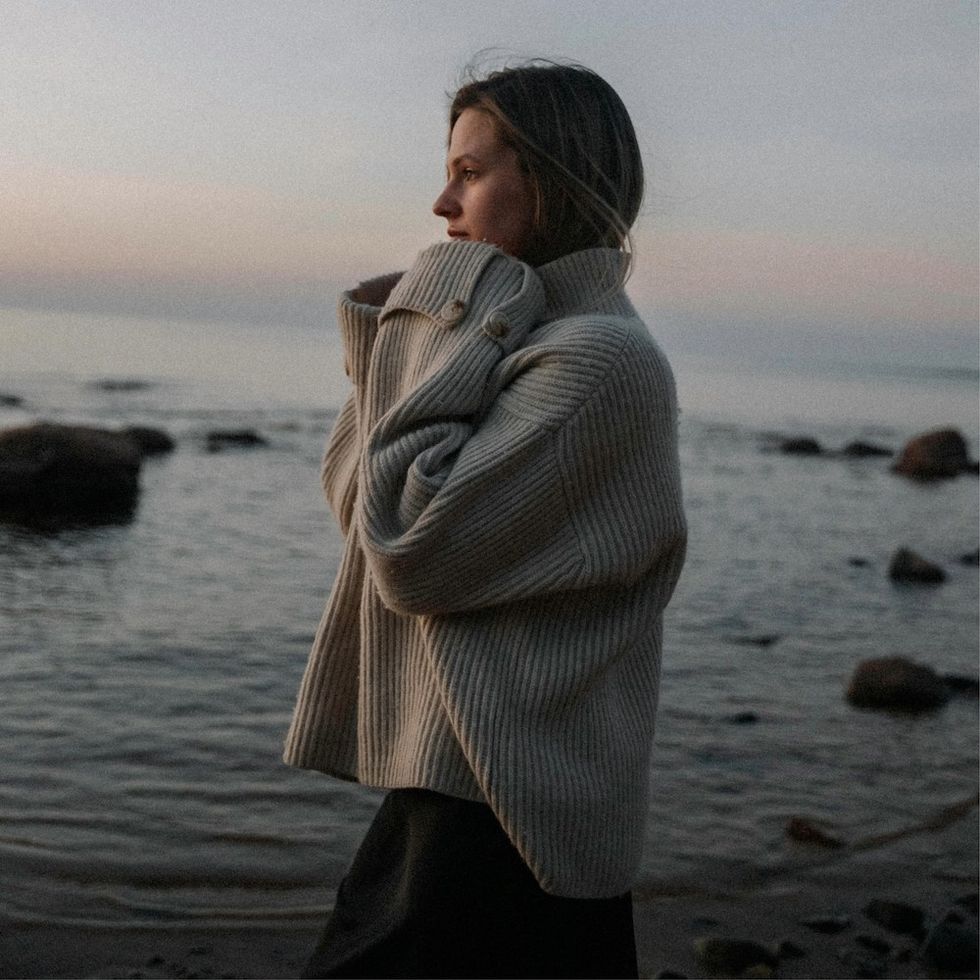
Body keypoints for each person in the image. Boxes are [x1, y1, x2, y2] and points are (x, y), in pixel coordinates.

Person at [284, 59, 687, 979]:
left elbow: (408, 552)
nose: (440, 204)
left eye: (470, 172)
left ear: (549, 178)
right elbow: (355, 499)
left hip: (511, 816)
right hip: (459, 785)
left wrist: (432, 315)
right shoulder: (517, 342)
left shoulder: (597, 362)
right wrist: (412, 340)